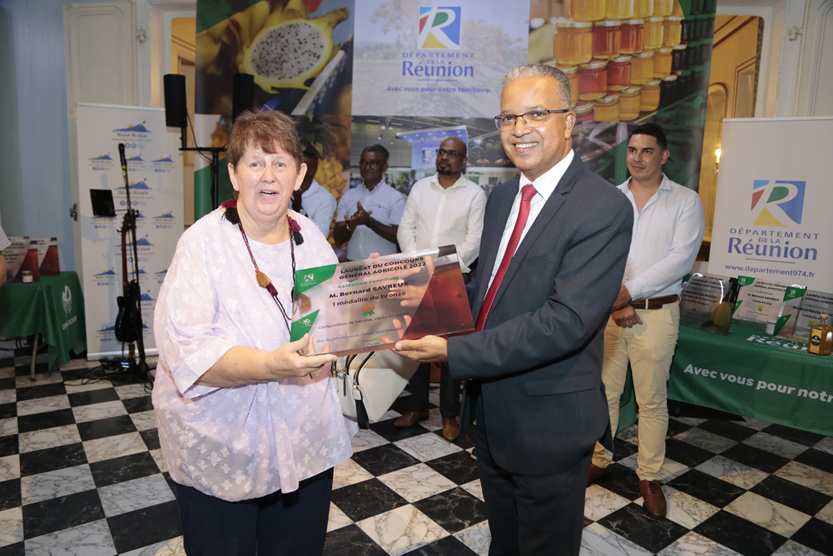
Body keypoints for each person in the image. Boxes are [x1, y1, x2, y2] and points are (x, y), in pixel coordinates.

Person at [391, 64, 633, 555]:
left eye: (536, 113)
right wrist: (402, 289)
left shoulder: (602, 207)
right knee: (505, 543)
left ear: (569, 122)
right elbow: (486, 293)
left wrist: (454, 352)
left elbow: (564, 322)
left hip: (549, 420)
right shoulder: (503, 197)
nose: (519, 129)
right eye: (507, 117)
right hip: (495, 414)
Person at [152, 109, 356, 556]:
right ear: (233, 174)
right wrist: (269, 364)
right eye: (255, 163)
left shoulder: (313, 237)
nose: (269, 176)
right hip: (224, 445)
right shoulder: (202, 245)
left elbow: (330, 319)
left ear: (300, 175)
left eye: (281, 163)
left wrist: (371, 304)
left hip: (303, 439)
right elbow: (188, 350)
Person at [588, 123, 705, 518]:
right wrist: (617, 300)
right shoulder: (609, 198)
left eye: (647, 151)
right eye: (632, 150)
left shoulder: (686, 201)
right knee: (603, 391)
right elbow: (599, 254)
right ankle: (600, 458)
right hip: (609, 313)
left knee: (651, 400)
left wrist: (627, 292)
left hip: (656, 313)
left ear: (664, 156)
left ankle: (649, 475)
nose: (637, 158)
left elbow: (680, 260)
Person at [394, 137, 486, 441]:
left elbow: (474, 241)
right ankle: (417, 405)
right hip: (416, 276)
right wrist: (417, 261)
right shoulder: (420, 188)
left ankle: (449, 415)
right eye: (441, 152)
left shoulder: (474, 194)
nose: (444, 158)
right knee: (415, 344)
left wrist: (441, 265)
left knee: (448, 351)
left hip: (453, 279)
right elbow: (405, 228)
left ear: (464, 161)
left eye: (452, 154)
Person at [333, 144, 405, 260]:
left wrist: (370, 222)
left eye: (373, 163)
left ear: (384, 167)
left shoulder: (395, 197)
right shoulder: (348, 196)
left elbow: (400, 237)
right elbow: (338, 239)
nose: (367, 167)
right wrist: (351, 226)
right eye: (364, 162)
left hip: (383, 269)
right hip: (353, 268)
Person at [291, 149, 337, 239]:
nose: (293, 169)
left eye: (298, 166)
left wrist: (300, 209)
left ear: (310, 171)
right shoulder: (285, 190)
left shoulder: (325, 198)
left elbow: (322, 235)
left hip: (308, 252)